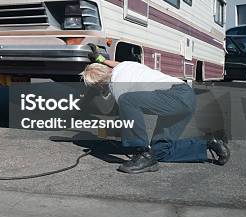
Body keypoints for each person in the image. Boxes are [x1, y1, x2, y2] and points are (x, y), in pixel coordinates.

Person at [81, 44, 230, 174]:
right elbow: (113, 64)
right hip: (185, 95)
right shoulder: (125, 65)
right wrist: (99, 58)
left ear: (100, 86)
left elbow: (126, 120)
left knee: (127, 100)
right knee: (160, 152)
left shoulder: (117, 86)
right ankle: (210, 144)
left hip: (175, 96)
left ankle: (143, 154)